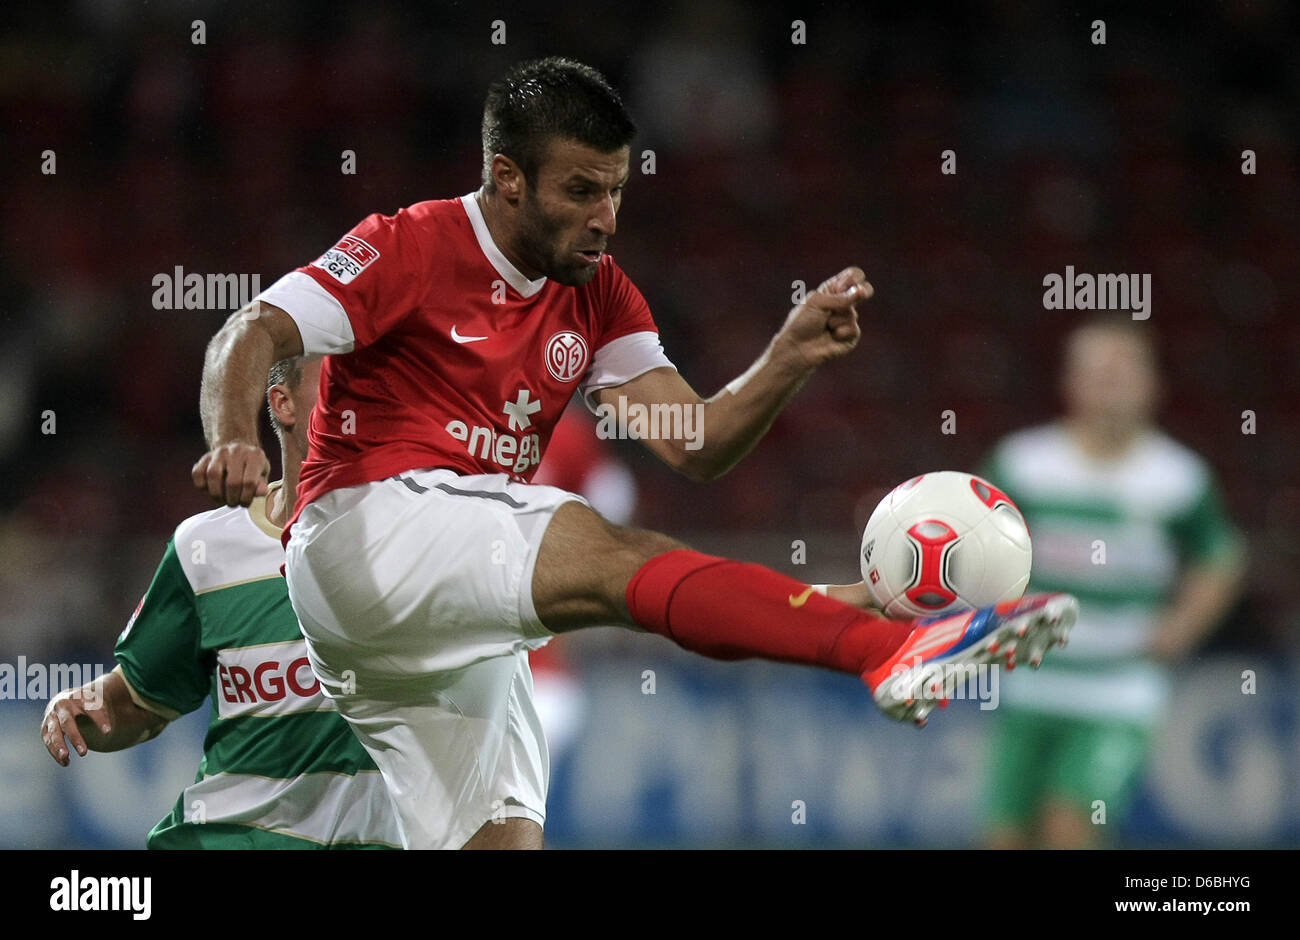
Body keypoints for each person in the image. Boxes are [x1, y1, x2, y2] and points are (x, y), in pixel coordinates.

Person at [192, 57, 1077, 849]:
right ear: (508, 179)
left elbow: (694, 445)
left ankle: (861, 621)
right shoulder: (410, 244)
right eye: (580, 190)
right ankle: (876, 649)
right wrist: (234, 437)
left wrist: (787, 358)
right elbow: (252, 330)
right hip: (365, 530)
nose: (604, 217)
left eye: (615, 190)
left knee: (500, 836)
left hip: (438, 627)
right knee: (617, 558)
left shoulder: (600, 295)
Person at [42, 357, 401, 850]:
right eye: (338, 382)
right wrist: (85, 708)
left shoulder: (420, 545)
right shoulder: (205, 547)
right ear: (283, 403)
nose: (358, 399)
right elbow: (142, 699)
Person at [980, 317, 1246, 849]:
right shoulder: (1024, 464)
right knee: (1003, 838)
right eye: (1097, 371)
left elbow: (1221, 556)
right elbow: (973, 537)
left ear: (1153, 384)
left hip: (1119, 689)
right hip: (1033, 680)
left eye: (1124, 370)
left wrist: (1181, 626)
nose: (1111, 384)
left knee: (1069, 828)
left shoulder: (1177, 478)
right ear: (1069, 383)